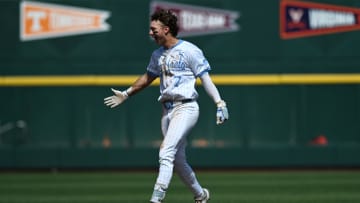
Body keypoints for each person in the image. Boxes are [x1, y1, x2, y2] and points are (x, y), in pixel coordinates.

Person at [104, 9, 229, 203]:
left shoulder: (190, 50)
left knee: (166, 152)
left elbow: (205, 79)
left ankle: (156, 199)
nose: (150, 33)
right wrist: (127, 93)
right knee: (178, 161)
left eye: (154, 29)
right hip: (167, 110)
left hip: (186, 107)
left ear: (166, 29)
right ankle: (201, 195)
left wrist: (219, 103)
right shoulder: (158, 55)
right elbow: (147, 77)